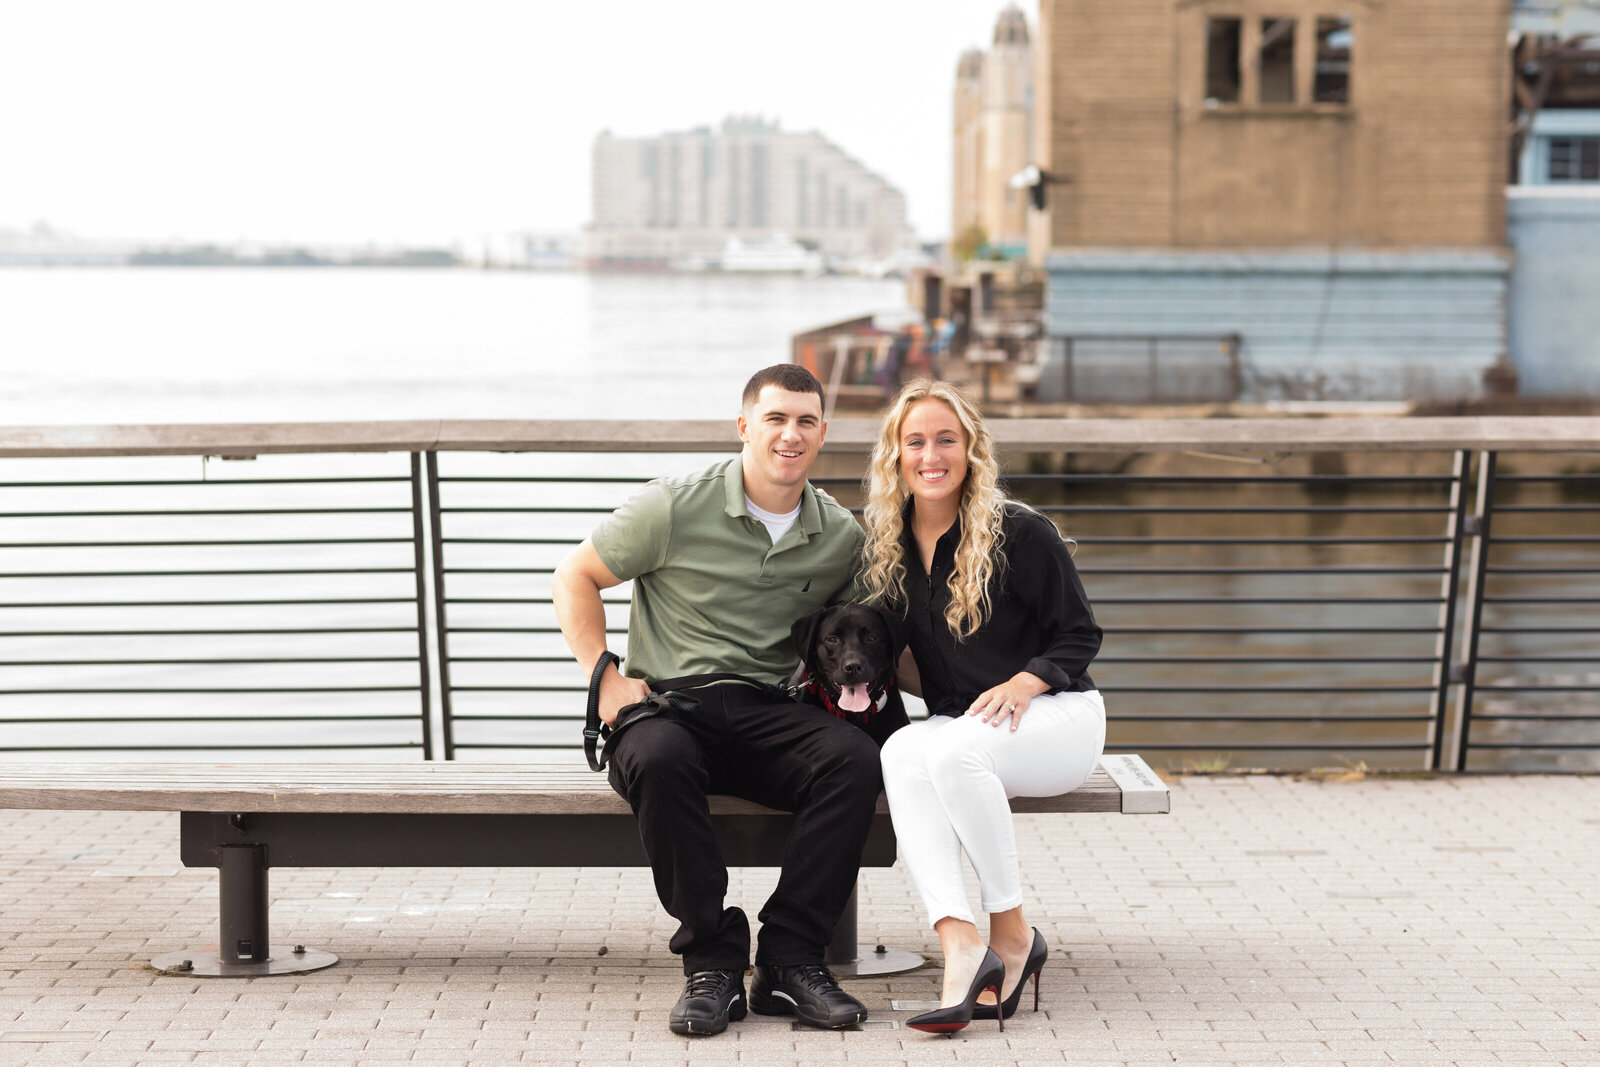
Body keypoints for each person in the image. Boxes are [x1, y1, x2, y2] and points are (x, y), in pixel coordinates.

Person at [551, 364, 881, 1038]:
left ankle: (790, 960)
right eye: (775, 418)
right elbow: (574, 575)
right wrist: (605, 676)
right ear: (744, 427)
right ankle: (712, 962)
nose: (791, 434)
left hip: (769, 709)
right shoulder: (674, 504)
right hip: (671, 707)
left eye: (806, 421)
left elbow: (874, 627)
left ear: (822, 435)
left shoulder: (840, 535)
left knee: (852, 758)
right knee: (659, 755)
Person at [859, 379, 1106, 1035]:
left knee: (953, 746)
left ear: (971, 449)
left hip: (1059, 717)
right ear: (896, 454)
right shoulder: (890, 545)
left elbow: (1081, 633)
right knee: (901, 749)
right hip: (962, 723)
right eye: (916, 441)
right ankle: (961, 943)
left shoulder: (1020, 532)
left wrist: (1027, 682)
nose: (931, 454)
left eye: (947, 438)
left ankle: (1013, 931)